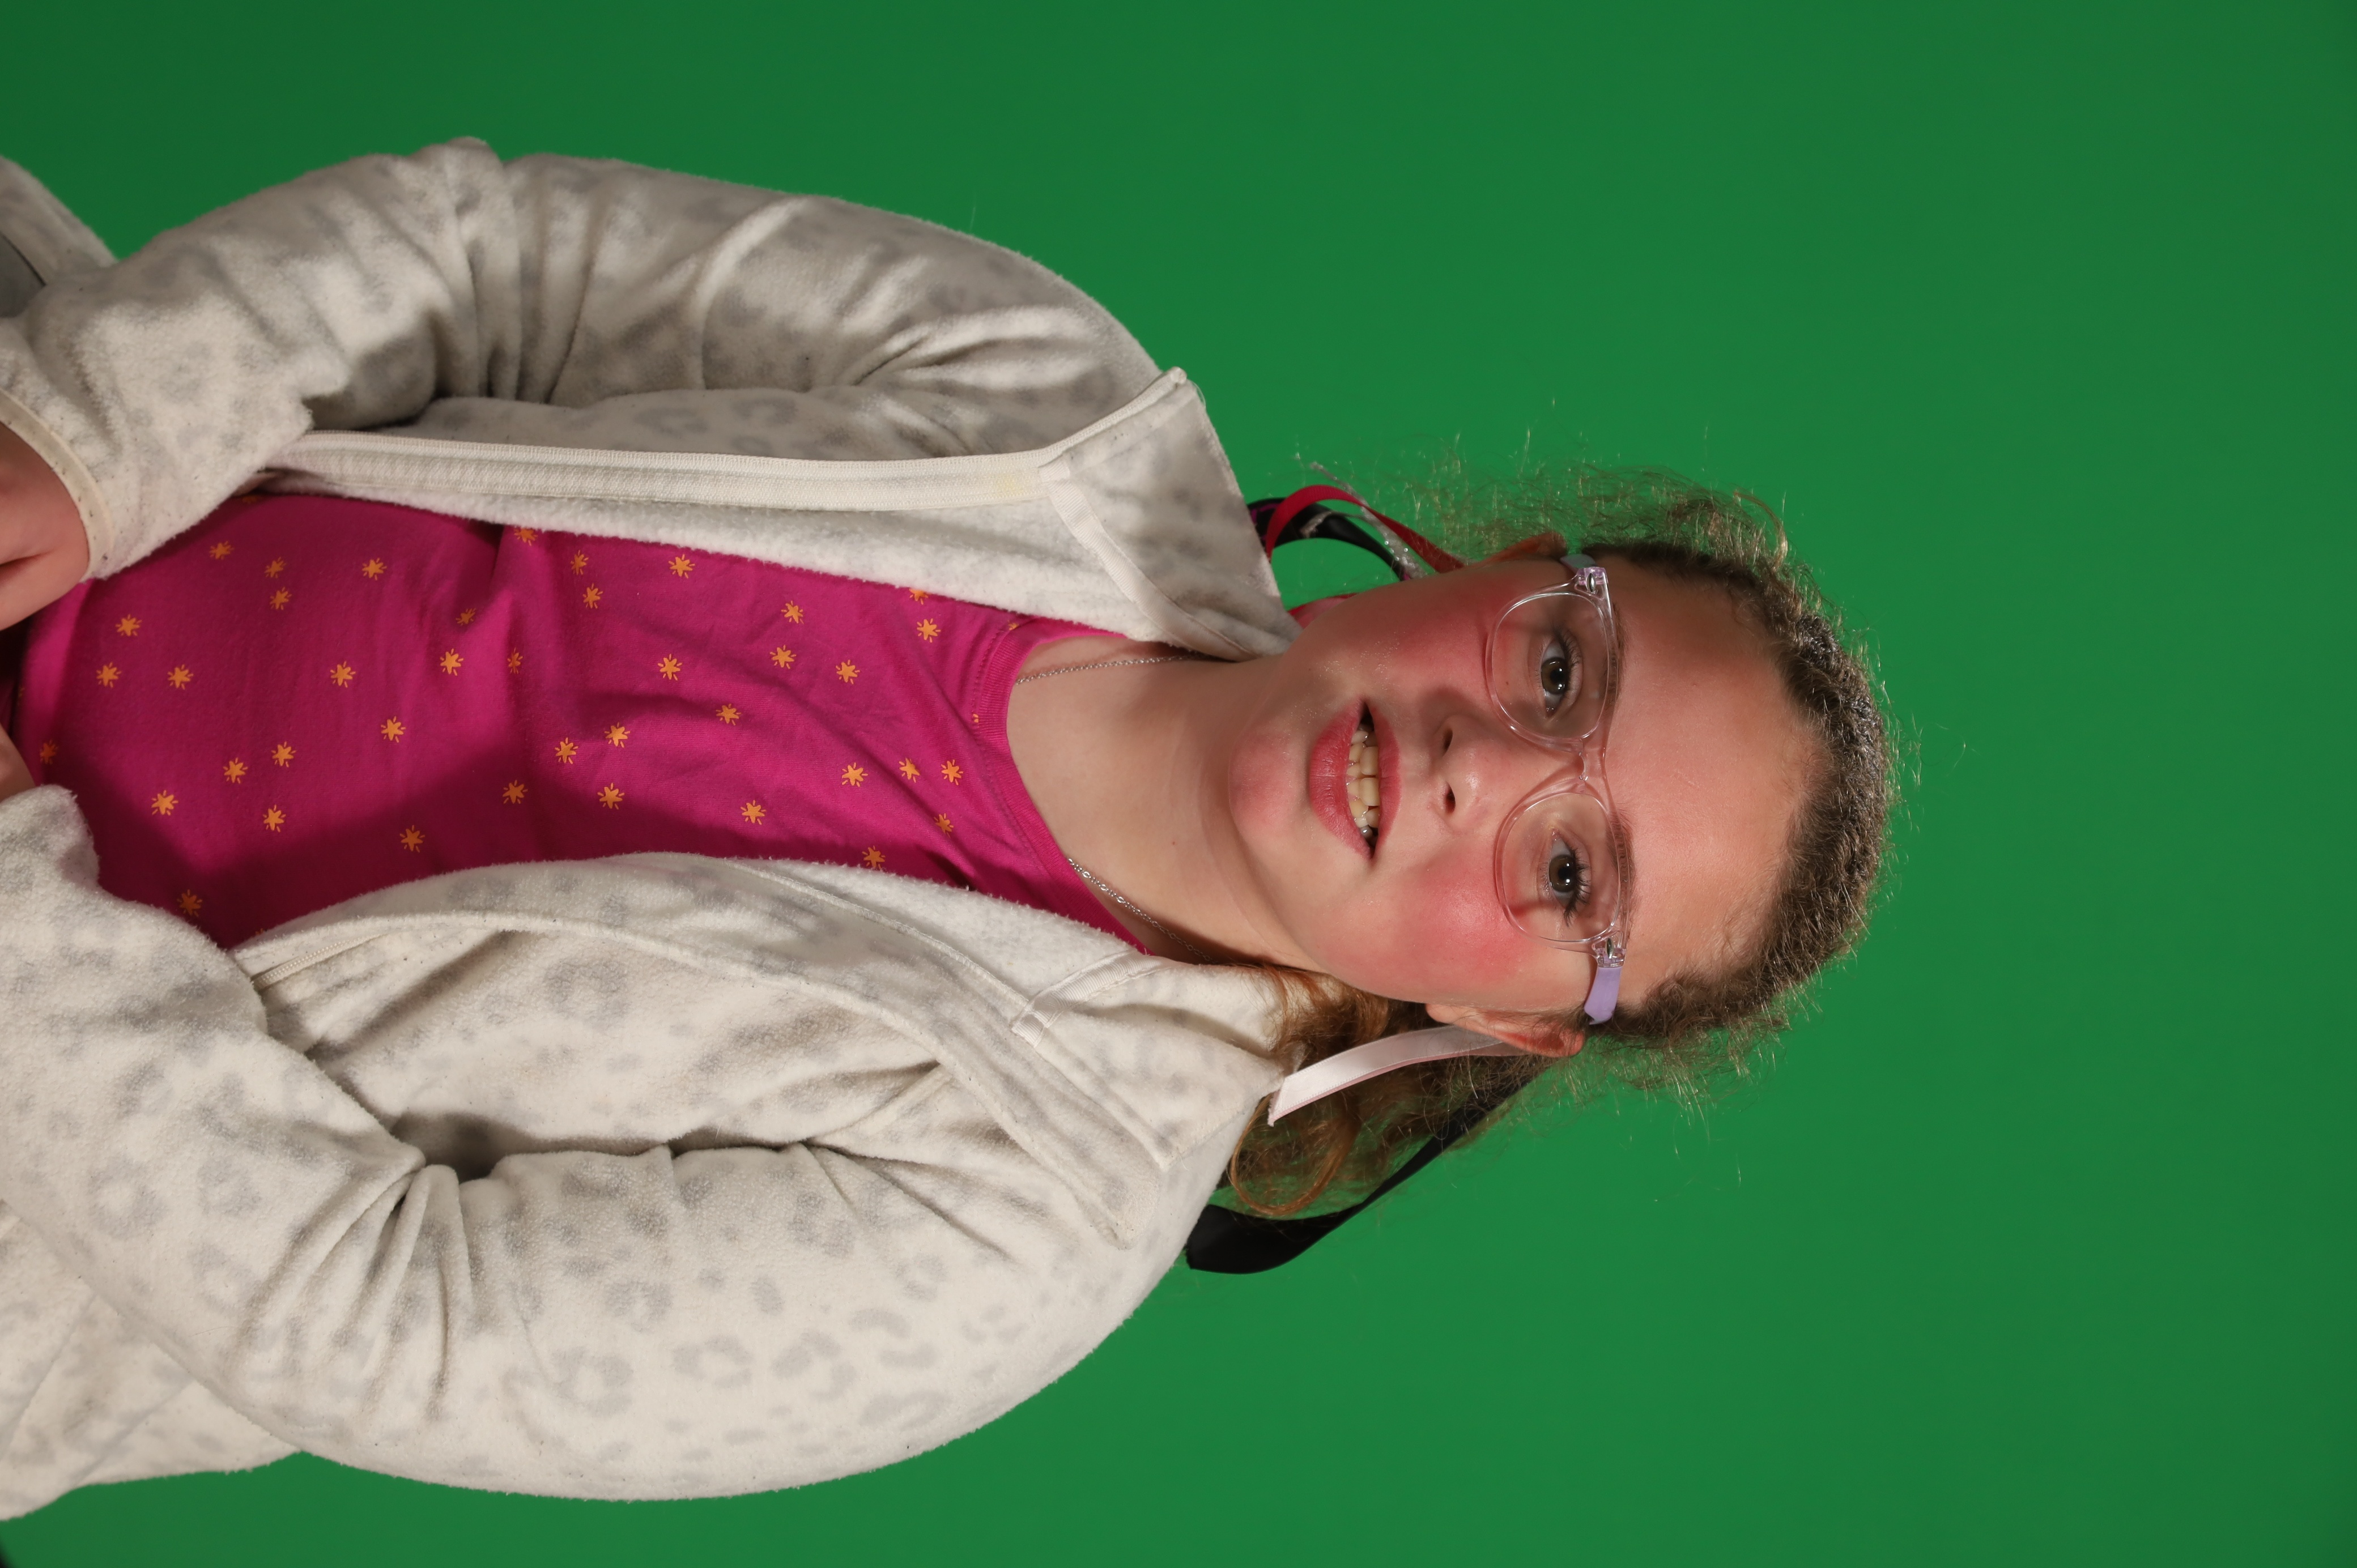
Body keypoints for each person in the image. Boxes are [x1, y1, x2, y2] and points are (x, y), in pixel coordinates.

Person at [0, 142, 1891, 1517]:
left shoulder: (1017, 1232)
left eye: (1571, 878)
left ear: (1513, 1025)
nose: (1489, 763)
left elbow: (388, 1317)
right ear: (1500, 571)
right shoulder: (1045, 396)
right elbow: (500, 260)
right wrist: (85, 444)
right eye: (1560, 669)